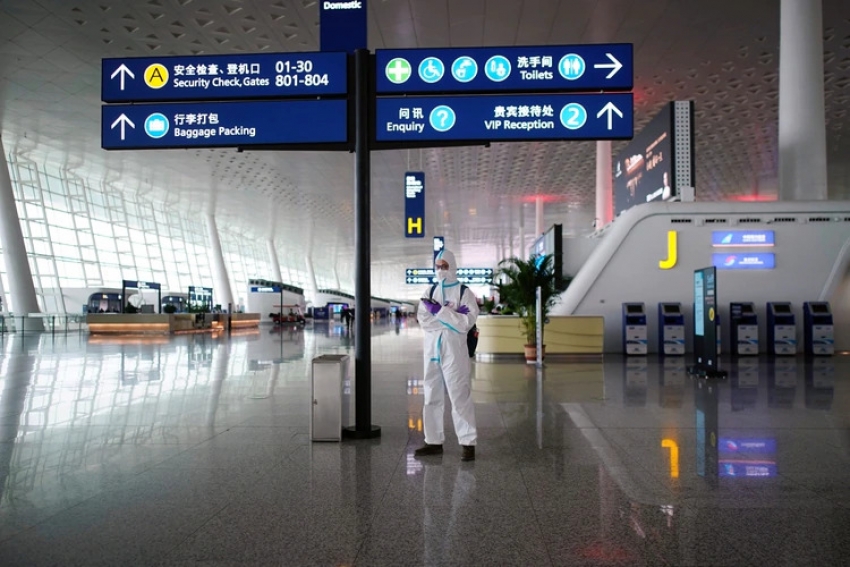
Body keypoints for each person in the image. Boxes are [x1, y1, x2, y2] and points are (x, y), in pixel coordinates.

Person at [415, 249, 480, 462]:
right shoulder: (430, 290)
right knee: (431, 394)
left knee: (459, 394)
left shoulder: (464, 292)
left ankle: (468, 443)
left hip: (455, 352)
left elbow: (465, 323)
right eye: (438, 266)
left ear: (452, 266)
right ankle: (433, 441)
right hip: (432, 349)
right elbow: (424, 321)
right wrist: (452, 316)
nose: (441, 270)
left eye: (444, 266)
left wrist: (439, 312)